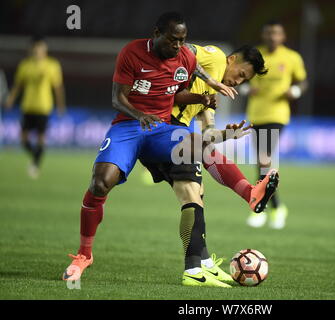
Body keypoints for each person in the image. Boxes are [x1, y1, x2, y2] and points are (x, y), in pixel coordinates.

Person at [62, 12, 244, 288]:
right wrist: (139, 114)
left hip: (161, 129)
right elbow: (117, 98)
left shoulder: (183, 56)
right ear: (156, 33)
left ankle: (240, 202)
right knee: (100, 184)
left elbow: (191, 71)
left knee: (197, 148)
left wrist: (209, 88)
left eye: (182, 41)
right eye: (172, 40)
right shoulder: (132, 52)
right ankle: (84, 255)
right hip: (128, 126)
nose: (177, 46)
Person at [148, 43, 279, 215]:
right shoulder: (217, 58)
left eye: (244, 81)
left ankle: (250, 195)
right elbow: (184, 49)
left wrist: (228, 134)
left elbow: (207, 134)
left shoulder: (211, 96)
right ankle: (249, 193)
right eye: (240, 74)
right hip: (157, 123)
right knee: (199, 161)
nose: (238, 82)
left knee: (197, 195)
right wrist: (209, 81)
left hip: (172, 132)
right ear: (231, 60)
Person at [244, 21, 308, 229]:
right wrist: (245, 89)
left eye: (276, 33)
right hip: (255, 114)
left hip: (277, 114)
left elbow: (302, 81)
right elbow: (240, 77)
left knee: (265, 159)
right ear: (263, 35)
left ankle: (259, 208)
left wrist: (295, 91)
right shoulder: (254, 55)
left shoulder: (291, 57)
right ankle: (277, 207)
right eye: (269, 33)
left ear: (283, 36)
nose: (272, 37)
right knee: (262, 162)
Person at [4, 35, 65, 178]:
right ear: (32, 49)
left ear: (45, 49)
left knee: (41, 138)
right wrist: (11, 99)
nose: (38, 50)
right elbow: (18, 85)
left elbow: (58, 87)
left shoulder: (52, 65)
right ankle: (36, 157)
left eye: (41, 47)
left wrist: (61, 105)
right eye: (36, 48)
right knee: (23, 140)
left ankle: (35, 164)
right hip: (27, 106)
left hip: (44, 107)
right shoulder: (25, 65)